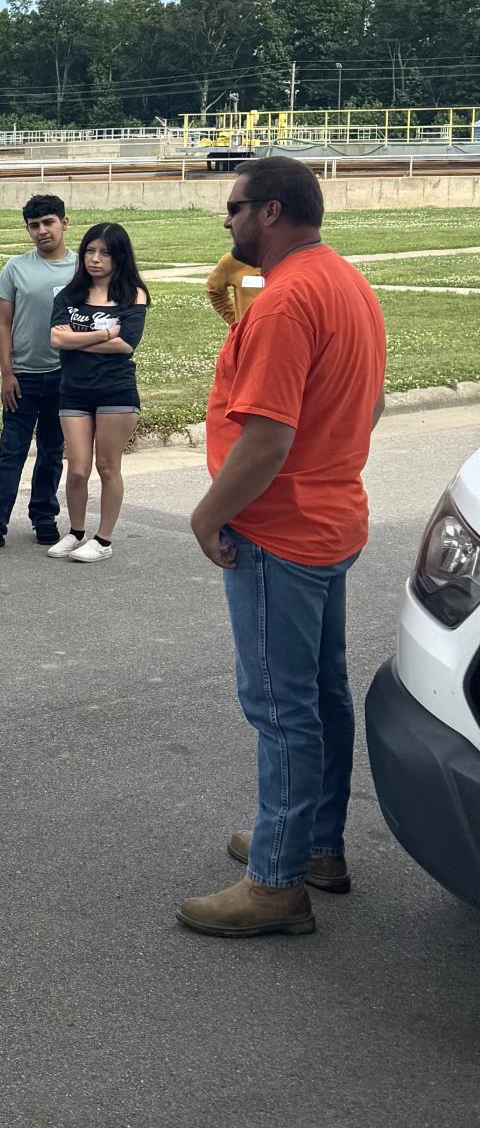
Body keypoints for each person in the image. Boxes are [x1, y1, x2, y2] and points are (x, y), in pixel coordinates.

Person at [178, 158, 386, 939]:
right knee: (321, 696)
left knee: (281, 708)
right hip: (331, 518)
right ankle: (312, 846)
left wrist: (206, 517)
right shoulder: (343, 281)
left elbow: (266, 438)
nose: (225, 226)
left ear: (269, 211)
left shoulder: (286, 301)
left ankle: (276, 883)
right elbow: (361, 405)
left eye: (231, 211)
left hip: (280, 530)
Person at [0, 195, 73, 555]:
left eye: (48, 223)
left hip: (65, 377)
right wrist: (7, 373)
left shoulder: (81, 268)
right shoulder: (16, 268)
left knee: (52, 450)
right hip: (23, 375)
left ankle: (44, 517)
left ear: (64, 223)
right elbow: (3, 323)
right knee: (11, 452)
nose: (42, 231)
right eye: (34, 226)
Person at [50, 223, 150, 562]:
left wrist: (77, 341)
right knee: (77, 468)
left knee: (108, 466)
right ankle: (76, 531)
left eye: (104, 253)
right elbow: (56, 340)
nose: (95, 259)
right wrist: (105, 335)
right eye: (90, 251)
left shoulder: (134, 295)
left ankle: (103, 539)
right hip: (74, 391)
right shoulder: (69, 295)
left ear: (119, 256)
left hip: (116, 392)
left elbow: (127, 346)